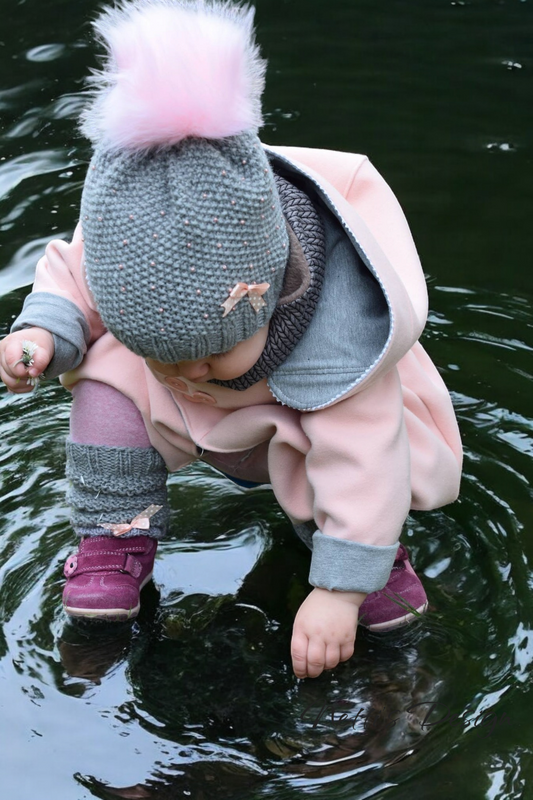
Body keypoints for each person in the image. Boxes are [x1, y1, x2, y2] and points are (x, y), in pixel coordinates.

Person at [0, 0, 462, 679]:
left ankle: (357, 556)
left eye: (211, 351)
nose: (190, 370)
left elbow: (366, 461)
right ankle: (116, 533)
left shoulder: (337, 340)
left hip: (294, 417)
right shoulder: (130, 253)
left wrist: (338, 593)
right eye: (166, 352)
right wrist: (44, 331)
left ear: (269, 294)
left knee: (349, 474)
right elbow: (76, 273)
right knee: (105, 377)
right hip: (186, 418)